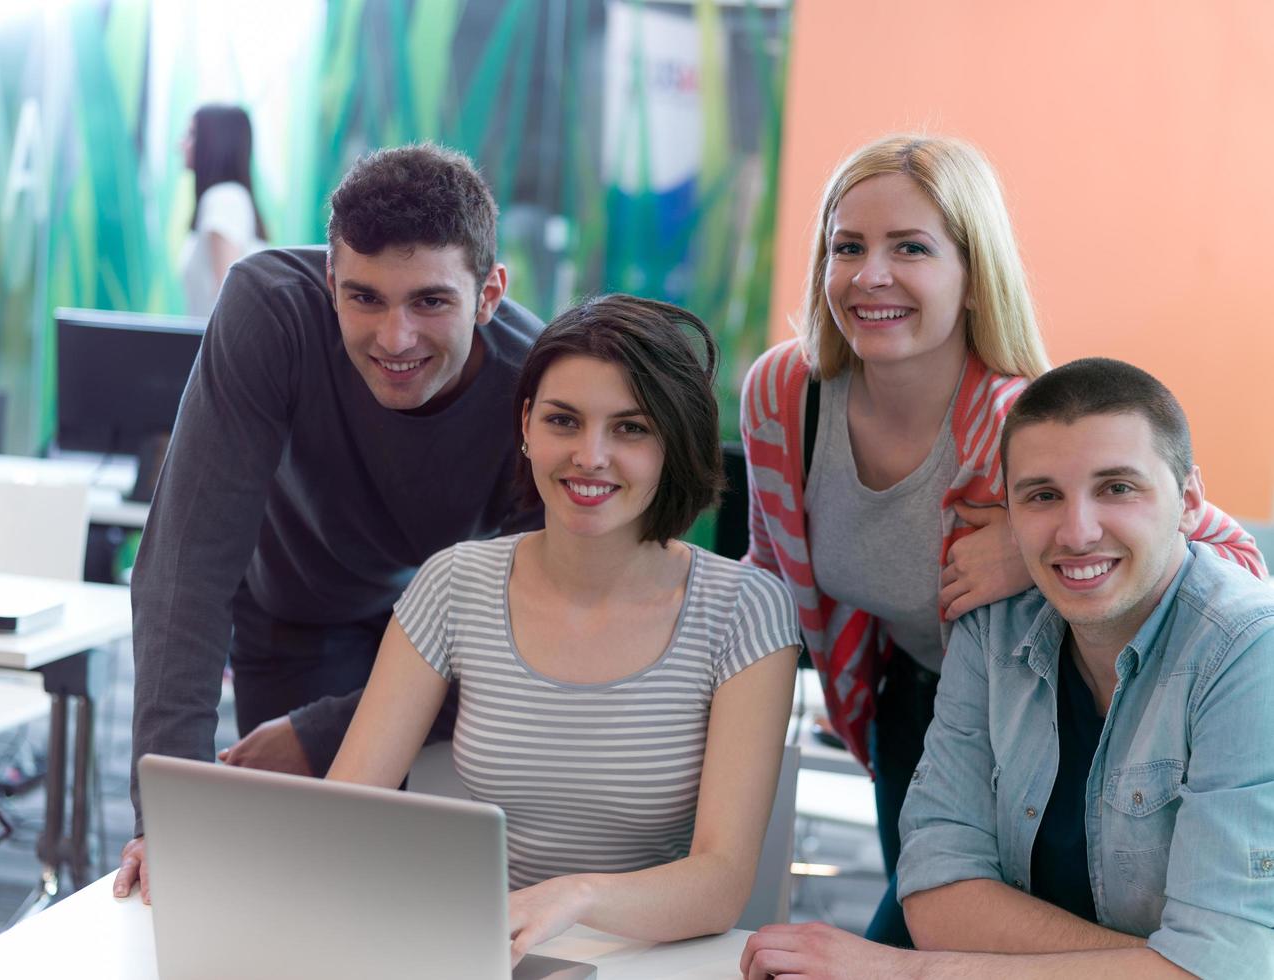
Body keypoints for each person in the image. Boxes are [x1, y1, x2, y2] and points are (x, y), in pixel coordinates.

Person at [739, 134, 1265, 945]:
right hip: (910, 701)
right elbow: (769, 583)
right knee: (933, 919)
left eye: (908, 247)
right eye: (847, 247)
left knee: (929, 944)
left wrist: (1031, 545)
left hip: (1041, 704)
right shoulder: (785, 395)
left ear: (973, 275)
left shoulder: (1014, 424)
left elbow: (1224, 565)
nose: (869, 274)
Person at [739, 358, 1274, 980]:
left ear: (1187, 503)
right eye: (1043, 495)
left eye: (1116, 488)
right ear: (1010, 511)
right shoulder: (994, 627)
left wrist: (900, 971)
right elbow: (937, 889)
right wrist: (1163, 964)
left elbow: (1231, 969)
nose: (1077, 532)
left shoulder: (1248, 650)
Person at [114, 144, 545, 902]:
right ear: (329, 282)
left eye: (431, 302)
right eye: (365, 298)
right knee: (297, 883)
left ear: (489, 293)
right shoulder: (269, 308)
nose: (394, 338)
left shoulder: (538, 384)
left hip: (454, 642)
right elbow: (186, 567)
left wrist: (323, 731)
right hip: (298, 609)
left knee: (419, 885)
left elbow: (529, 639)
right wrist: (169, 812)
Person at [327, 294, 800, 966]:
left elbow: (719, 884)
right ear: (526, 425)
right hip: (491, 954)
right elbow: (343, 812)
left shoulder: (745, 609)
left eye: (630, 429)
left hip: (651, 960)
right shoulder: (454, 584)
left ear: (674, 443)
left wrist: (573, 897)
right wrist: (209, 854)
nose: (590, 456)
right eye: (563, 420)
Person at [178, 104, 269, 317]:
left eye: (191, 134)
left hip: (219, 347)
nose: (181, 144)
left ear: (215, 142)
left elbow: (228, 297)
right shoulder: (228, 198)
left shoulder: (223, 199)